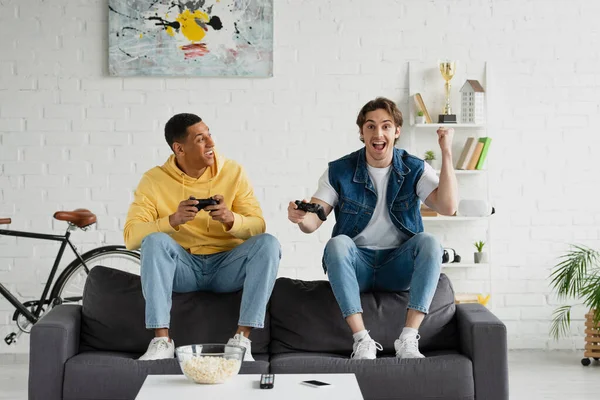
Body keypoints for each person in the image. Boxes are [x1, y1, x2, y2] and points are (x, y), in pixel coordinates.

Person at [287, 97, 457, 360]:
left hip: (397, 266)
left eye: (386, 126)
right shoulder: (340, 170)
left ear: (396, 131)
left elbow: (448, 206)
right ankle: (362, 340)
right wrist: (300, 217)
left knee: (430, 242)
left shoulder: (413, 168)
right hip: (359, 267)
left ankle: (408, 340)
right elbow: (314, 220)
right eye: (370, 126)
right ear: (361, 132)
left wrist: (446, 151)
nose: (378, 134)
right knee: (337, 243)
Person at [125, 113, 281, 361]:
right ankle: (162, 341)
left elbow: (258, 227)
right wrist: (172, 221)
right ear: (179, 148)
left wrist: (231, 219)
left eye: (209, 134)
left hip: (226, 268)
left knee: (269, 244)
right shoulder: (153, 180)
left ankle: (241, 340)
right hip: (184, 267)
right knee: (154, 241)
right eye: (201, 139)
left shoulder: (233, 172)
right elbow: (131, 237)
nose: (211, 143)